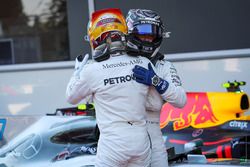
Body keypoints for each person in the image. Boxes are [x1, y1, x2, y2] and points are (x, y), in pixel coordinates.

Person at [66, 8, 152, 167]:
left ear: (96, 39)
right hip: (141, 139)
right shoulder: (144, 62)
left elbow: (71, 97)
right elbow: (153, 102)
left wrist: (77, 71)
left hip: (113, 142)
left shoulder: (91, 70)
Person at [126, 9, 187, 167]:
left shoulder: (164, 66)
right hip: (121, 136)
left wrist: (156, 81)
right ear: (131, 33)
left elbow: (181, 100)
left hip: (153, 134)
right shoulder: (118, 63)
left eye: (152, 34)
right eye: (143, 33)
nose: (147, 38)